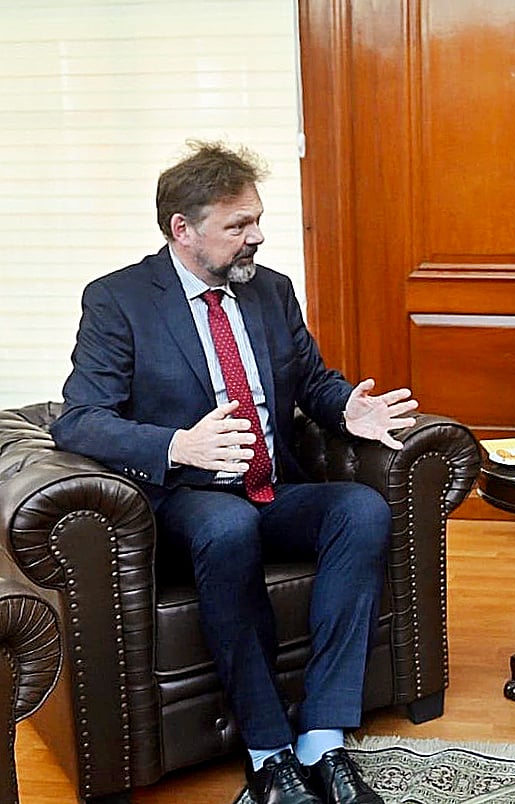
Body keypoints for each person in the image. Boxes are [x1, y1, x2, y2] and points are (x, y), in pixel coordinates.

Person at [51, 141, 416, 804]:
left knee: (361, 510)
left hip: (274, 489)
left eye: (258, 219)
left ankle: (323, 737)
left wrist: (348, 410)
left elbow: (309, 380)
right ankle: (268, 749)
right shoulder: (118, 301)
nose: (258, 236)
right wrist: (177, 445)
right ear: (182, 231)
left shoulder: (270, 290)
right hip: (192, 499)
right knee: (227, 528)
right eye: (238, 226)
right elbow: (79, 420)